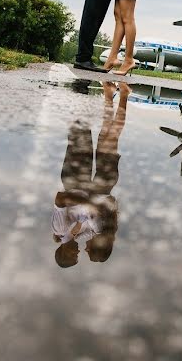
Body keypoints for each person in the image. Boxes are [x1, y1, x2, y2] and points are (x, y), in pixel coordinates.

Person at [51, 81, 129, 267]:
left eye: (76, 256)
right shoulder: (86, 233)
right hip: (98, 185)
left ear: (64, 252)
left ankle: (83, 91)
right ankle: (119, 94)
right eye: (83, 254)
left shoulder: (63, 230)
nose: (81, 252)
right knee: (108, 136)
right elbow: (102, 215)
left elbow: (61, 198)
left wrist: (88, 204)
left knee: (81, 131)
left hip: (76, 179)